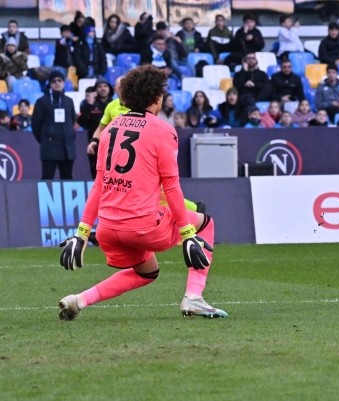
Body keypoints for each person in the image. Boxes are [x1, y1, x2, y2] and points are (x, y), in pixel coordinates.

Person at [56, 64, 226, 321]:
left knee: (147, 272)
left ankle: (79, 300)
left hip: (108, 230)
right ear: (157, 98)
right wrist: (187, 232)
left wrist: (82, 232)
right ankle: (193, 298)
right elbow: (171, 186)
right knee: (206, 224)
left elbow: (99, 185)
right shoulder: (164, 130)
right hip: (145, 226)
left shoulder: (110, 129)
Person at [32, 71, 76, 180]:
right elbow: (35, 124)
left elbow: (72, 121)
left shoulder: (69, 101)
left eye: (59, 80)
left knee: (68, 180)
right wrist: (45, 139)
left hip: (67, 149)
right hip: (49, 148)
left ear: (64, 83)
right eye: (54, 81)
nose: (57, 83)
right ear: (50, 84)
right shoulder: (42, 101)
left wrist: (69, 136)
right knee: (47, 179)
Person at [77, 78, 113, 177]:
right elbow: (81, 122)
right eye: (100, 86)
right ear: (95, 90)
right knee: (96, 170)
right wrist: (89, 104)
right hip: (95, 143)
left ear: (110, 88)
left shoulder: (115, 104)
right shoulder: (88, 104)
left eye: (105, 86)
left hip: (113, 143)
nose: (103, 88)